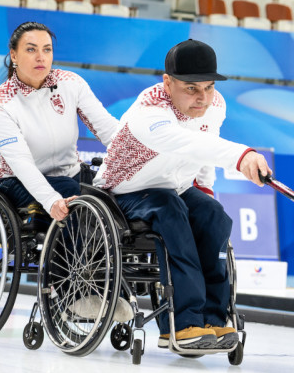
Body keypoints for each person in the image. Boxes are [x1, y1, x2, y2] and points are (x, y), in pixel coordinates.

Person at [94, 39, 272, 349]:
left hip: (177, 187)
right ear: (168, 83)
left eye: (209, 87)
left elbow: (206, 146)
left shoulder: (215, 106)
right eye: (191, 88)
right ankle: (182, 323)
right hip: (125, 192)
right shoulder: (149, 111)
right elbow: (187, 144)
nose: (202, 98)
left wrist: (204, 189)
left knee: (213, 215)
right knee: (170, 210)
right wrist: (242, 156)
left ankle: (213, 320)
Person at [0, 21, 132, 322]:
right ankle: (74, 294)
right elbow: (22, 163)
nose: (41, 57)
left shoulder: (70, 83)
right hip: (17, 181)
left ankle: (111, 287)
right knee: (70, 193)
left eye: (47, 50)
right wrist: (51, 199)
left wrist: (140, 158)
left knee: (114, 193)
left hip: (69, 174)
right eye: (31, 49)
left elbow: (108, 129)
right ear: (14, 55)